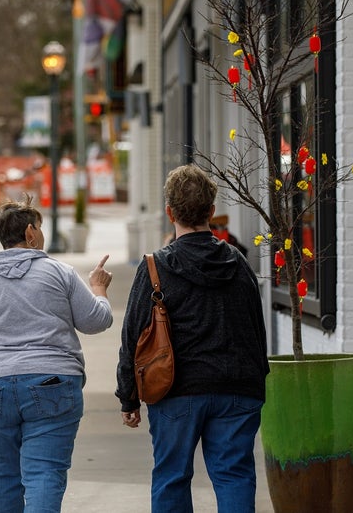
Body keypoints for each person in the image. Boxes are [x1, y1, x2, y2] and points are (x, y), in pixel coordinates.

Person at [0, 194, 114, 513]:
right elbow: (95, 321)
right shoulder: (60, 273)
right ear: (30, 232)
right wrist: (99, 289)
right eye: (39, 228)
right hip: (53, 384)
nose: (41, 234)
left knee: (0, 479)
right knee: (44, 474)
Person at [115, 164, 269, 513]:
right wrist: (257, 381)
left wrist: (129, 396)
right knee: (234, 475)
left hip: (175, 391)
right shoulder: (238, 263)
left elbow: (134, 335)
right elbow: (255, 328)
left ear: (170, 212)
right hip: (236, 389)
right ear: (211, 212)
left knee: (171, 476)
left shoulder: (156, 267)